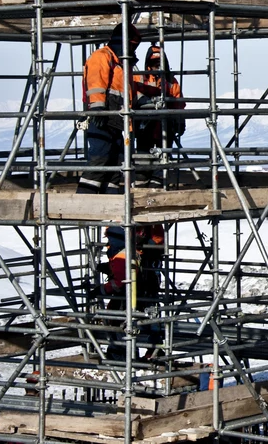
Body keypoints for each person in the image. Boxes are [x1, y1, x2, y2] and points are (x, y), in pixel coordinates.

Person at [77, 23, 141, 194]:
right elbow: (96, 83)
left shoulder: (121, 63)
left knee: (117, 162)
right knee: (100, 159)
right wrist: (98, 109)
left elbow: (128, 91)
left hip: (117, 119)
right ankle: (84, 202)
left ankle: (110, 204)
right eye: (133, 45)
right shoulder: (102, 56)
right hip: (103, 117)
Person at [91, 224, 164, 360]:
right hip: (139, 287)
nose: (107, 244)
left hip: (130, 292)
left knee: (123, 321)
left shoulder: (122, 252)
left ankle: (122, 355)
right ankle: (152, 351)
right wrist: (109, 268)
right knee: (147, 319)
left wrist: (101, 289)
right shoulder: (126, 251)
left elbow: (121, 280)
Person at [133, 43, 186, 187]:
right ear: (148, 63)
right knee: (143, 161)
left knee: (162, 162)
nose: (157, 65)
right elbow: (134, 99)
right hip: (145, 127)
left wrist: (180, 121)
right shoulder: (140, 78)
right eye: (153, 62)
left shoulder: (170, 81)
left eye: (159, 62)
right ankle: (140, 188)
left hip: (166, 128)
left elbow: (178, 102)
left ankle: (157, 188)